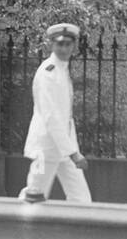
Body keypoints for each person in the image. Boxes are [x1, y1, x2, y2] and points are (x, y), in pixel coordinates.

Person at [20, 23, 91, 203]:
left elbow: (66, 118)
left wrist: (71, 149)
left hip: (64, 150)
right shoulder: (48, 72)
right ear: (52, 44)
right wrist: (73, 153)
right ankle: (16, 228)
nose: (64, 48)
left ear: (74, 46)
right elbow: (50, 116)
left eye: (68, 44)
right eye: (60, 44)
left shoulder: (61, 69)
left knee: (81, 198)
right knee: (34, 194)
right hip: (45, 149)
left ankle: (78, 231)